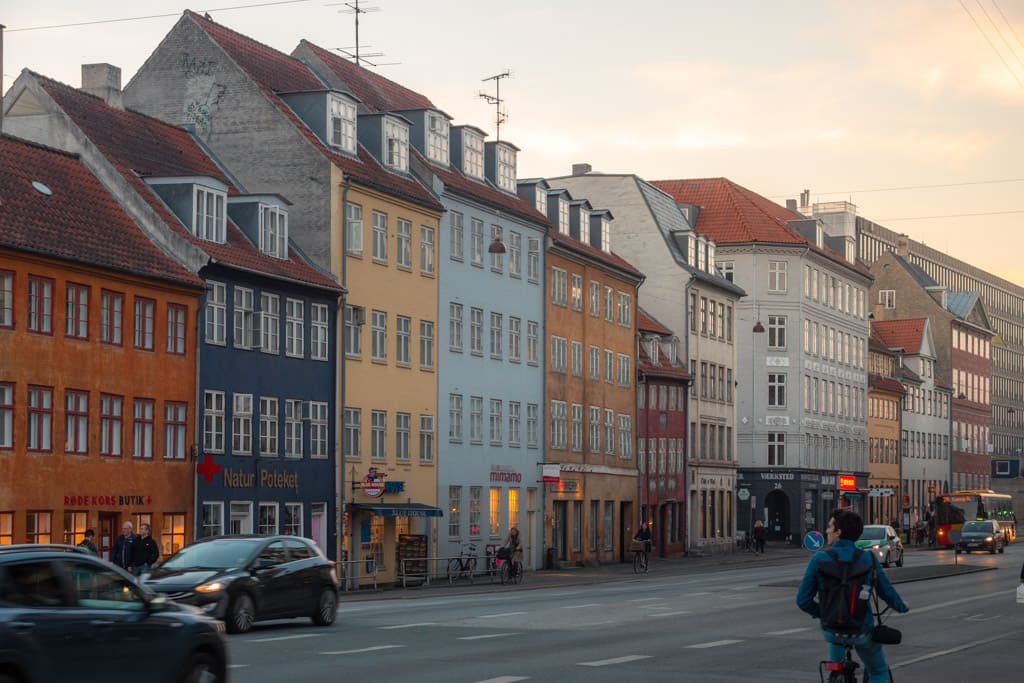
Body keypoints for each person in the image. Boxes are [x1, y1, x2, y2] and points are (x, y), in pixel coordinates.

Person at [797, 508, 909, 683]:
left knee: (836, 654)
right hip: (861, 630)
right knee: (878, 671)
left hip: (831, 629)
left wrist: (825, 612)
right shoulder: (869, 559)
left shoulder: (819, 559)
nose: (826, 531)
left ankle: (836, 675)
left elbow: (802, 600)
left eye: (829, 527)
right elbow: (886, 592)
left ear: (838, 532)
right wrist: (902, 607)